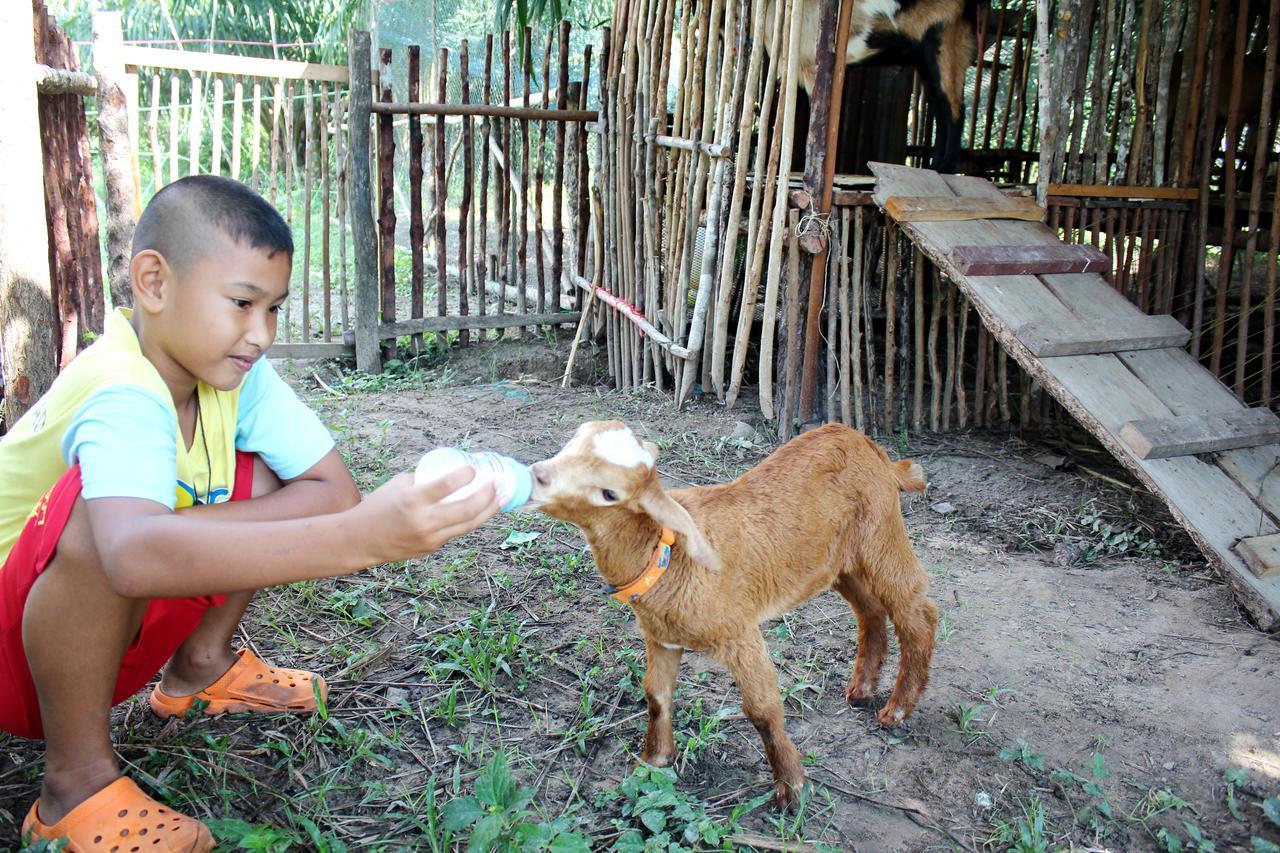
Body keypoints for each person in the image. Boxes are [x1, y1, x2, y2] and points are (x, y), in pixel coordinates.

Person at [0, 175, 500, 850]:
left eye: (273, 309)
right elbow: (128, 552)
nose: (261, 333)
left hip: (101, 627)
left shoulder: (237, 377)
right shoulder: (119, 386)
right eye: (242, 303)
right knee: (104, 513)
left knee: (259, 477)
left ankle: (200, 670)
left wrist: (298, 523)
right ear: (153, 282)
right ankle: (73, 787)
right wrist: (358, 541)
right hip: (16, 660)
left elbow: (329, 488)